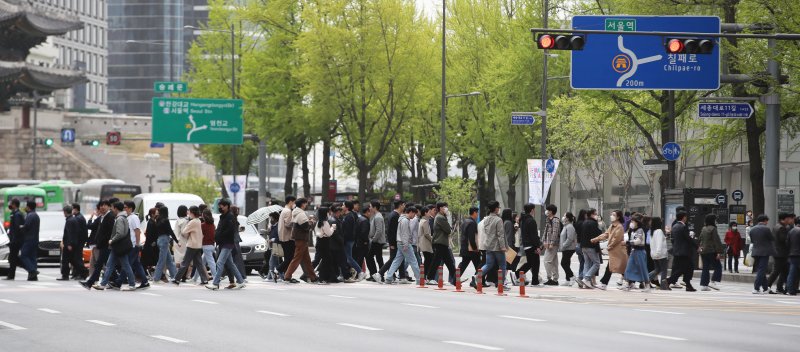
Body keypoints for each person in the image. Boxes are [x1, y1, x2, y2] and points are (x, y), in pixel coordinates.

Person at [96, 202, 136, 291]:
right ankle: (103, 284)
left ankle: (132, 284)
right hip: (117, 247)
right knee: (110, 265)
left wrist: (112, 240)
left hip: (119, 246)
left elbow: (120, 233)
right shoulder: (123, 218)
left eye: (112, 208)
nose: (111, 210)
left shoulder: (120, 219)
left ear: (116, 209)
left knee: (125, 265)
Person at [206, 199, 245, 290]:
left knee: (219, 262)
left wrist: (219, 236)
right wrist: (217, 236)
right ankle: (241, 281)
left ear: (227, 206)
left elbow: (229, 231)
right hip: (223, 243)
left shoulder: (230, 217)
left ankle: (215, 283)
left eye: (222, 206)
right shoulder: (223, 216)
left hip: (228, 243)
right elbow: (220, 229)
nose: (220, 207)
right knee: (231, 264)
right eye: (219, 205)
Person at [114, 201, 149, 290]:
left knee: (127, 264)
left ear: (130, 208)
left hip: (133, 245)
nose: (124, 209)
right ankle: (145, 281)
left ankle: (119, 282)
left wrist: (137, 244)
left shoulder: (134, 218)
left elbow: (137, 231)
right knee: (136, 264)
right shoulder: (128, 217)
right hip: (130, 244)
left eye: (125, 207)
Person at [283, 198, 319, 284]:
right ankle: (287, 276)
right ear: (303, 204)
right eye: (306, 203)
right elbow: (306, 227)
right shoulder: (301, 214)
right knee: (297, 258)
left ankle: (313, 277)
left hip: (300, 238)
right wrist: (312, 222)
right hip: (301, 238)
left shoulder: (296, 212)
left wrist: (309, 222)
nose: (306, 205)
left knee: (307, 260)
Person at [80, 200, 114, 289]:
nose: (102, 207)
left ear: (109, 206)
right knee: (104, 265)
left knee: (100, 265)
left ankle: (90, 283)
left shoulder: (110, 216)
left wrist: (105, 241)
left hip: (106, 245)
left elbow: (110, 232)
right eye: (101, 206)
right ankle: (116, 280)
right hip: (102, 245)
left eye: (105, 205)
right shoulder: (102, 217)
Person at [383, 207, 420, 284]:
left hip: (400, 243)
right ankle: (419, 279)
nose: (414, 216)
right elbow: (405, 234)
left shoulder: (401, 219)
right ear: (410, 212)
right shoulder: (405, 221)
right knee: (413, 261)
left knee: (397, 261)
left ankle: (389, 277)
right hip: (404, 244)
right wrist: (406, 244)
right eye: (414, 214)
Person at [591, 210, 627, 290]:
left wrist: (609, 246)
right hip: (614, 252)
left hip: (618, 251)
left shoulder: (619, 227)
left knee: (621, 268)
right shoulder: (612, 226)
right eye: (611, 214)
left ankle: (630, 282)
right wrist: (595, 239)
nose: (611, 216)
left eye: (613, 215)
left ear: (618, 217)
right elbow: (606, 234)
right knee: (612, 267)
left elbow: (616, 239)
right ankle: (604, 283)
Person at [173, 206, 209, 285]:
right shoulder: (198, 221)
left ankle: (176, 279)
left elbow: (184, 232)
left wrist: (187, 235)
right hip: (198, 245)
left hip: (191, 245)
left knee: (185, 263)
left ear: (192, 213)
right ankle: (204, 280)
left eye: (189, 212)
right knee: (199, 263)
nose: (188, 213)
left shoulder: (192, 222)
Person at [474, 201, 507, 288]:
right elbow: (500, 234)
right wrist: (503, 246)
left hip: (488, 245)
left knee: (488, 264)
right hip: (497, 246)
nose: (499, 209)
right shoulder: (498, 220)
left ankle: (477, 276)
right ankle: (501, 284)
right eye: (498, 207)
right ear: (496, 208)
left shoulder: (486, 219)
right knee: (502, 265)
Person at [666, 211, 698, 292]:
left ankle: (688, 284)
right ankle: (668, 281)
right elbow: (688, 239)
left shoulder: (675, 226)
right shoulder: (683, 227)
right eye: (686, 217)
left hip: (677, 251)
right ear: (684, 217)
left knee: (688, 267)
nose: (686, 218)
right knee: (683, 268)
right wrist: (697, 246)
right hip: (684, 251)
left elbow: (673, 239)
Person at [380, 200, 407, 282]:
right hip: (394, 242)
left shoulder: (394, 215)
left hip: (396, 241)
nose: (404, 206)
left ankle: (402, 277)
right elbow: (391, 231)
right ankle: (380, 273)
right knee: (393, 259)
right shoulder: (394, 216)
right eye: (403, 205)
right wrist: (391, 243)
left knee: (399, 258)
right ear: (400, 205)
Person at [516, 203, 542, 287]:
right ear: (532, 210)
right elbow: (533, 235)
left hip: (526, 244)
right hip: (531, 245)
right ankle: (517, 274)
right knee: (534, 263)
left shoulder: (523, 219)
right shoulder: (531, 220)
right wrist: (537, 246)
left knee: (531, 263)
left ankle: (535, 281)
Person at [621, 214, 649, 292]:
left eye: (633, 221)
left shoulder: (640, 230)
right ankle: (627, 284)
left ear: (637, 222)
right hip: (634, 251)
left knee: (642, 268)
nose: (631, 223)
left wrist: (627, 242)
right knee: (629, 268)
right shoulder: (633, 231)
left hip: (640, 252)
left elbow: (638, 241)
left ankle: (647, 285)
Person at [768, 213, 795, 294]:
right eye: (788, 219)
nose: (789, 220)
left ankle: (782, 288)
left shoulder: (777, 226)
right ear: (784, 219)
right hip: (781, 253)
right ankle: (767, 286)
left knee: (784, 271)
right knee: (776, 271)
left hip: (779, 252)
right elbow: (784, 240)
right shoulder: (781, 228)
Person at [151, 207, 179, 283]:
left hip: (159, 240)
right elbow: (170, 231)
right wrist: (177, 241)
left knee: (169, 260)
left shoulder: (158, 219)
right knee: (162, 260)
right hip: (164, 240)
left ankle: (175, 277)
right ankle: (156, 278)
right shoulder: (165, 220)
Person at [749, 214, 775, 294]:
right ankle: (756, 288)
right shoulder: (766, 229)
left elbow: (752, 240)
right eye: (767, 221)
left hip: (755, 251)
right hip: (764, 252)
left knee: (761, 270)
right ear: (765, 220)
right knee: (761, 270)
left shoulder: (752, 229)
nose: (767, 222)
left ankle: (765, 287)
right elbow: (772, 238)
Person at [698, 214, 724, 291]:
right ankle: (713, 281)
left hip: (704, 251)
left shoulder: (703, 228)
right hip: (712, 251)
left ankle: (704, 285)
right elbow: (717, 241)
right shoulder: (713, 229)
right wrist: (719, 252)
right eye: (715, 220)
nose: (716, 221)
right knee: (718, 267)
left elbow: (700, 239)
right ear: (713, 220)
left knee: (705, 268)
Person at [432, 202, 456, 285]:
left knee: (448, 262)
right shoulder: (440, 217)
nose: (446, 208)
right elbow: (448, 230)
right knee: (438, 261)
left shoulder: (441, 217)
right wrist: (448, 217)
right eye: (444, 207)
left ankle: (456, 279)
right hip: (440, 242)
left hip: (441, 242)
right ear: (440, 208)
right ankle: (430, 277)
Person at [58, 205, 84, 281]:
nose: (63, 213)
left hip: (69, 244)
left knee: (66, 260)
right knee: (73, 260)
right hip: (72, 243)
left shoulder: (70, 221)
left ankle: (65, 275)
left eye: (64, 212)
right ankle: (83, 272)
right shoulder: (72, 219)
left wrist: (69, 244)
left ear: (65, 212)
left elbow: (70, 233)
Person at [4, 199, 25, 280]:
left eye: (11, 204)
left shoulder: (17, 215)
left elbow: (16, 228)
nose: (10, 205)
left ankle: (30, 269)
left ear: (14, 205)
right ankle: (30, 269)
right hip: (15, 239)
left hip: (16, 240)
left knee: (13, 258)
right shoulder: (15, 213)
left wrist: (13, 240)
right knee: (13, 258)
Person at [18, 201, 40, 281]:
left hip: (29, 239)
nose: (25, 208)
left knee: (23, 255)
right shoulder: (36, 215)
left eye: (26, 206)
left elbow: (26, 226)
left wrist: (21, 227)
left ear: (28, 207)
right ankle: (33, 276)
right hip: (35, 239)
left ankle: (32, 271)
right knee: (32, 257)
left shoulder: (30, 215)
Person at [341, 201, 363, 280]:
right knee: (346, 258)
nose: (342, 206)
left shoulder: (349, 216)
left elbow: (348, 231)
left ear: (347, 207)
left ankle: (360, 272)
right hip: (348, 240)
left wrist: (344, 240)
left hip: (348, 240)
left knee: (349, 258)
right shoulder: (347, 215)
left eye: (343, 205)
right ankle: (343, 274)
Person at [459, 207, 481, 285]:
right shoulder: (472, 223)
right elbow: (472, 237)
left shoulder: (465, 221)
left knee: (463, 264)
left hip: (465, 247)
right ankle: (476, 281)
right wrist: (475, 248)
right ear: (474, 213)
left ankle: (454, 278)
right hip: (471, 249)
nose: (478, 215)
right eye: (477, 213)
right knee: (479, 265)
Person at [315, 207, 337, 283]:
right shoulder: (325, 223)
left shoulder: (318, 222)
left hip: (319, 242)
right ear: (325, 213)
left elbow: (317, 232)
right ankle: (322, 278)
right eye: (328, 212)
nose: (329, 213)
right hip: (325, 243)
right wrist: (333, 228)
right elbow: (329, 233)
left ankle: (324, 277)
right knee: (326, 261)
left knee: (322, 260)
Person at [276, 196, 297, 279]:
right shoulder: (288, 211)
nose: (294, 204)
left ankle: (286, 275)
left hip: (283, 237)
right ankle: (278, 270)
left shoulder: (284, 210)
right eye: (294, 202)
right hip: (287, 237)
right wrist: (295, 221)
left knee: (288, 257)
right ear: (291, 202)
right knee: (290, 258)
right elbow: (288, 224)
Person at [366, 201, 386, 282]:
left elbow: (379, 231)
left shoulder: (378, 217)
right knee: (378, 258)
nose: (369, 208)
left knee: (370, 257)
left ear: (374, 207)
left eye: (370, 206)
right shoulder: (376, 216)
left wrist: (373, 239)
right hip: (377, 241)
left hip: (377, 241)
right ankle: (378, 275)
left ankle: (376, 274)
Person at [648, 217, 670, 290]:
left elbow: (653, 243)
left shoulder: (652, 231)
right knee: (664, 270)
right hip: (661, 254)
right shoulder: (659, 231)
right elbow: (659, 243)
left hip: (654, 254)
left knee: (657, 269)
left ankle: (646, 278)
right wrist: (658, 252)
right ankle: (663, 286)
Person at [542, 204, 561, 286]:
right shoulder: (548, 219)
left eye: (548, 210)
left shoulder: (555, 220)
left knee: (546, 261)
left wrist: (551, 243)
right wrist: (543, 241)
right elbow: (545, 231)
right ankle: (555, 279)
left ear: (551, 211)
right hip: (548, 243)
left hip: (553, 244)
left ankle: (550, 278)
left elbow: (555, 232)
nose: (547, 211)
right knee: (553, 262)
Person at [198, 209, 218, 282]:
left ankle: (216, 277)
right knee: (202, 262)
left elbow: (200, 235)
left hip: (206, 245)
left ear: (204, 215)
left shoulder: (203, 225)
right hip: (212, 245)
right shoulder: (213, 225)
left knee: (211, 262)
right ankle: (195, 277)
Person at [70, 203, 89, 279]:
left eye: (72, 209)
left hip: (78, 241)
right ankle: (77, 273)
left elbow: (77, 232)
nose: (71, 211)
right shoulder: (78, 217)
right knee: (76, 258)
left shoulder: (78, 218)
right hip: (79, 241)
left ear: (75, 209)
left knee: (77, 258)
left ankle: (83, 273)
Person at [559, 212, 577, 286]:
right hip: (565, 248)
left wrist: (563, 245)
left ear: (567, 218)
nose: (563, 217)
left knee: (563, 263)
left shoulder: (570, 227)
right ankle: (568, 279)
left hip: (569, 248)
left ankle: (572, 276)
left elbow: (570, 238)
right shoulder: (565, 226)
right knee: (567, 263)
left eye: (564, 216)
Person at [418, 205, 436, 283]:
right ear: (425, 213)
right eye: (428, 212)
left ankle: (424, 277)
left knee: (428, 260)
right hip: (426, 243)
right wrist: (433, 240)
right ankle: (425, 277)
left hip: (422, 243)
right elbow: (427, 234)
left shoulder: (421, 220)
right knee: (429, 260)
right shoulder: (425, 221)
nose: (430, 214)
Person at [172, 205, 190, 280]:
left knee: (178, 259)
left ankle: (178, 275)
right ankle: (183, 276)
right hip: (183, 241)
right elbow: (185, 233)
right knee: (184, 259)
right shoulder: (186, 221)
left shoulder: (178, 220)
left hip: (176, 241)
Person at [573, 209, 587, 288]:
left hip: (578, 244)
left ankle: (580, 278)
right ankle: (580, 278)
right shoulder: (584, 224)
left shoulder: (577, 223)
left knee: (582, 262)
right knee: (586, 262)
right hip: (582, 244)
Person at [786, 218, 800, 296]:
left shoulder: (791, 231)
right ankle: (793, 289)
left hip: (792, 254)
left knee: (792, 272)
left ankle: (790, 289)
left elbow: (787, 243)